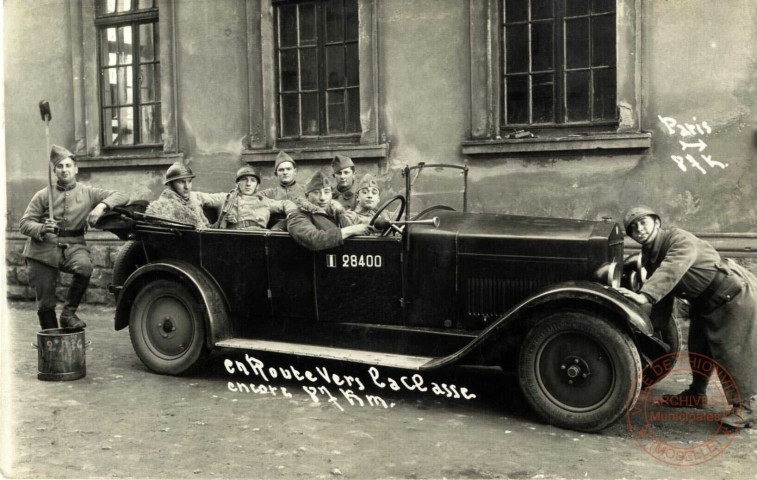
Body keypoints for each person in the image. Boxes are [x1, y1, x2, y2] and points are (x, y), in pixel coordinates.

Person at [617, 206, 757, 429]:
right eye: (633, 228)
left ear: (657, 222)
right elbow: (663, 300)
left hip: (732, 295)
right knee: (698, 347)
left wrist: (644, 296)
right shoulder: (649, 257)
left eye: (643, 222)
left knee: (733, 352)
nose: (639, 229)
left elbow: (673, 268)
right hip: (704, 302)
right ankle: (696, 394)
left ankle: (747, 408)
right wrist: (648, 328)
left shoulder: (678, 239)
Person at [19, 145, 129, 329]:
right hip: (42, 250)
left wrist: (101, 206)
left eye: (68, 166)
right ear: (55, 171)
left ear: (76, 169)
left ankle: (68, 314)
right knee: (45, 302)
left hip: (74, 245)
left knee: (84, 268)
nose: (64, 170)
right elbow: (24, 223)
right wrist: (42, 227)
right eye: (60, 166)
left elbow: (123, 195)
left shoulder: (88, 192)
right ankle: (51, 339)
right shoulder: (43, 195)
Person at [287, 171, 370, 251]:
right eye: (316, 193)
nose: (322, 198)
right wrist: (351, 230)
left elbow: (358, 220)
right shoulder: (297, 216)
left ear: (331, 194)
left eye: (326, 192)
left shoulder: (337, 212)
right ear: (307, 196)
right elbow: (313, 239)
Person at [146, 161, 227, 228]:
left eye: (189, 181)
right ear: (171, 184)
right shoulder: (165, 208)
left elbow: (205, 228)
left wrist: (221, 221)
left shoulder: (193, 199)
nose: (187, 187)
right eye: (181, 182)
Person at [217, 165, 297, 230]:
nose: (248, 184)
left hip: (257, 235)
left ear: (257, 186)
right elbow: (204, 197)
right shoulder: (226, 198)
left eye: (253, 180)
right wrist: (204, 224)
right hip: (233, 235)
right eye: (244, 179)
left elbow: (285, 203)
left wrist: (291, 212)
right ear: (237, 184)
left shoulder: (264, 200)